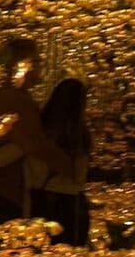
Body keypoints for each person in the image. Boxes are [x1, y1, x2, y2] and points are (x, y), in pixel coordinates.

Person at [0, 36, 66, 223]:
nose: (40, 67)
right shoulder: (19, 102)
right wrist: (69, 170)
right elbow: (35, 146)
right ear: (22, 66)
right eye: (36, 62)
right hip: (10, 193)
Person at [34, 76, 93, 245]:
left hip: (41, 198)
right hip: (70, 202)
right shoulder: (78, 135)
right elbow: (79, 177)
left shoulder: (40, 129)